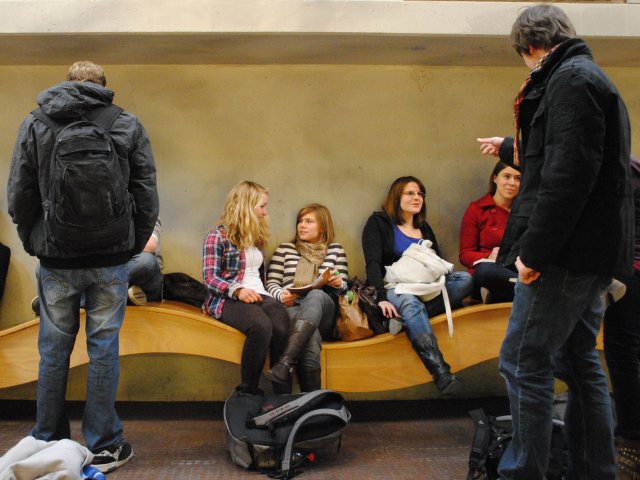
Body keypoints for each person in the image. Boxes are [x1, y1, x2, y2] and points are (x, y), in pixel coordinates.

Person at [476, 5, 632, 479]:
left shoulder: (569, 81)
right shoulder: (587, 77)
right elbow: (564, 153)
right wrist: (510, 147)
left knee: (522, 360)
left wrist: (534, 253)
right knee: (578, 359)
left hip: (565, 255)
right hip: (591, 254)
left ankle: (524, 472)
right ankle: (594, 470)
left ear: (529, 46)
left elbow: (566, 178)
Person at [7, 60, 159, 473]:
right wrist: (128, 247)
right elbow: (146, 193)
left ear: (67, 84)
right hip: (111, 260)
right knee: (103, 349)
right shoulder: (126, 123)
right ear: (104, 87)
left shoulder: (36, 123)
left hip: (56, 259)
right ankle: (105, 444)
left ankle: (47, 438)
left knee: (53, 350)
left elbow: (19, 194)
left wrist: (36, 242)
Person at [362, 176, 473, 396]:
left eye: (420, 194)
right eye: (410, 193)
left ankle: (405, 320)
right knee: (410, 302)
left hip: (427, 289)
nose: (417, 198)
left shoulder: (424, 227)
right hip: (395, 287)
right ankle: (440, 372)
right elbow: (372, 264)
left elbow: (437, 262)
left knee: (464, 279)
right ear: (396, 196)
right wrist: (381, 298)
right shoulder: (379, 222)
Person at [202, 180, 290, 395]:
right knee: (261, 326)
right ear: (246, 206)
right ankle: (248, 391)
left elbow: (258, 276)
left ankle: (282, 395)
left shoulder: (257, 237)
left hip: (260, 295)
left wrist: (277, 295)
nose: (265, 212)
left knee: (281, 324)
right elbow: (209, 278)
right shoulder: (218, 236)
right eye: (262, 206)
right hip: (228, 298)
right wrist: (238, 290)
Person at [265, 204, 348, 392]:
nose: (302, 225)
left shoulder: (335, 250)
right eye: (300, 221)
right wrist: (281, 295)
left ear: (323, 227)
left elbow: (345, 289)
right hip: (291, 306)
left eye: (309, 221)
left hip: (324, 312)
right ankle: (310, 399)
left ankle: (285, 361)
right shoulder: (285, 250)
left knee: (316, 294)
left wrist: (338, 283)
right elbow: (271, 284)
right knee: (310, 335)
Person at [604, 155, 640, 478]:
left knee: (622, 355)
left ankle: (631, 444)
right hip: (630, 268)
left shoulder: (618, 166)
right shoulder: (630, 164)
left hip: (629, 270)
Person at [459, 161, 521, 303]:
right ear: (495, 178)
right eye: (507, 176)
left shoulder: (525, 211)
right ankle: (532, 292)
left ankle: (527, 291)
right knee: (485, 271)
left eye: (518, 178)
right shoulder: (477, 209)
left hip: (517, 269)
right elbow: (465, 255)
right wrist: (489, 256)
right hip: (492, 271)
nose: (512, 183)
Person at [127, 217, 164, 305]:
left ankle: (110, 290)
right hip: (120, 271)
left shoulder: (147, 214)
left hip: (144, 274)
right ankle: (122, 294)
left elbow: (150, 245)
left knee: (146, 261)